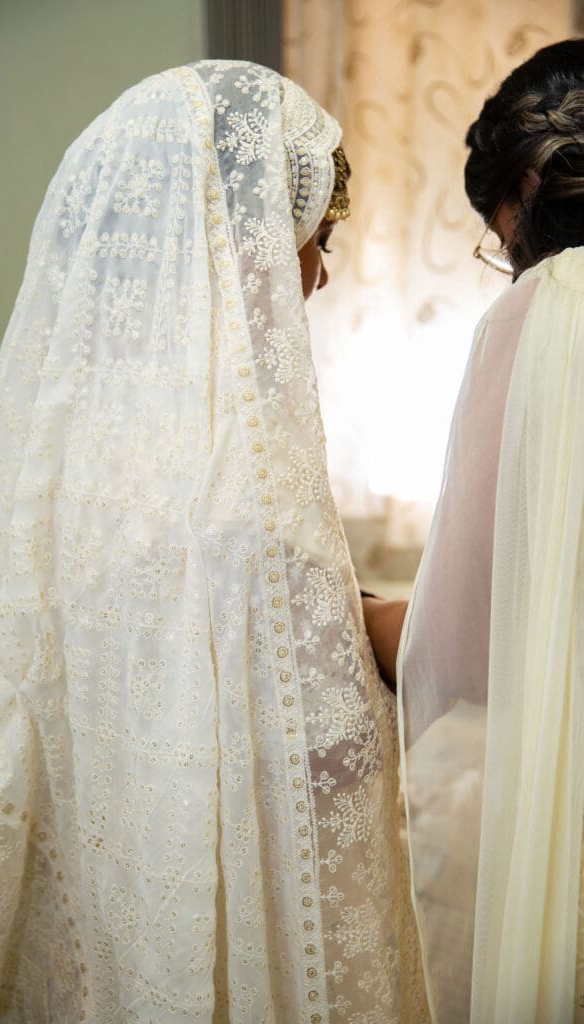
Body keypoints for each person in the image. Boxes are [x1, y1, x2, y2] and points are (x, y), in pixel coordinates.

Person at [0, 61, 428, 1023]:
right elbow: (326, 762)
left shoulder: (59, 471)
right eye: (313, 240)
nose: (319, 273)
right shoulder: (243, 491)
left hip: (105, 937)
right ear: (236, 248)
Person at [391, 39, 584, 1024]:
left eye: (498, 237)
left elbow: (465, 652)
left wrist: (371, 617)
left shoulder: (541, 313)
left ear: (524, 192)